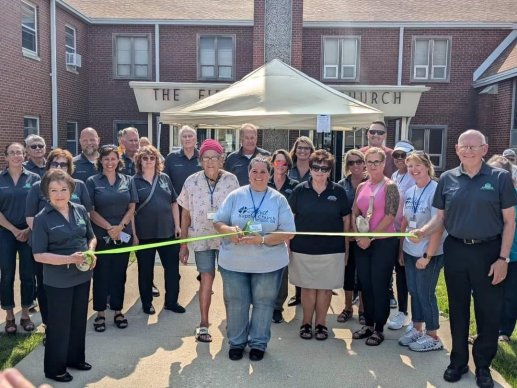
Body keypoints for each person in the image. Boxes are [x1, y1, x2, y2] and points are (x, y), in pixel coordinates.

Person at [413, 130, 517, 387]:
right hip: (457, 250)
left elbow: (509, 221)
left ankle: (483, 365)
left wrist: (503, 258)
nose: (468, 151)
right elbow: (440, 219)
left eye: (474, 146)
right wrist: (422, 232)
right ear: (457, 149)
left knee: (488, 312)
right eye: (464, 146)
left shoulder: (500, 178)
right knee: (458, 308)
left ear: (484, 149)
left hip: (489, 252)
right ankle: (458, 361)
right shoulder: (448, 179)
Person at [214, 157, 295, 361]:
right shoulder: (235, 196)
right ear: (248, 173)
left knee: (264, 303)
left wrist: (263, 240)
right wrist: (229, 231)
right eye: (254, 171)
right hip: (234, 263)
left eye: (263, 172)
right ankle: (237, 343)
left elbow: (289, 232)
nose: (258, 176)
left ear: (270, 174)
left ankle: (258, 343)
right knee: (236, 303)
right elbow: (218, 222)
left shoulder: (278, 199)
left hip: (268, 264)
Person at [32, 169, 97, 383]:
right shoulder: (42, 219)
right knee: (59, 325)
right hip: (58, 281)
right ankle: (55, 368)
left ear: (71, 190)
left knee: (78, 320)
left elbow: (91, 237)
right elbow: (39, 255)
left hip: (82, 276)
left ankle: (75, 358)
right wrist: (70, 259)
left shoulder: (79, 210)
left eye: (63, 189)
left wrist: (91, 251)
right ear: (46, 194)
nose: (59, 194)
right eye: (54, 190)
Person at [177, 139, 239, 342]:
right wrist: (183, 244)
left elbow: (238, 211)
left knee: (230, 282)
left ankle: (233, 323)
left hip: (226, 240)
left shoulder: (231, 181)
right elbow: (185, 213)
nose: (210, 162)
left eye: (215, 157)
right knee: (206, 278)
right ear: (200, 160)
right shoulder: (191, 181)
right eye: (206, 158)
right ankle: (204, 324)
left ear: (222, 160)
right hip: (201, 238)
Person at [26, 148, 93, 329]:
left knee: (75, 301)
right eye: (55, 163)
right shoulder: (37, 187)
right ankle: (49, 324)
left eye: (63, 164)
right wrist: (52, 234)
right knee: (46, 288)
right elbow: (31, 218)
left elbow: (85, 214)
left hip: (76, 247)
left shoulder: (79, 185)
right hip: (48, 247)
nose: (59, 166)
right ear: (49, 165)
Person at [289, 150, 350, 341]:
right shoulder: (300, 190)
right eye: (316, 167)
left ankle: (321, 324)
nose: (320, 171)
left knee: (324, 288)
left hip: (332, 249)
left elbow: (346, 220)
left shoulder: (338, 192)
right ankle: (306, 323)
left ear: (330, 170)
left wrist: (346, 247)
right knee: (307, 287)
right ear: (310, 168)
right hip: (303, 248)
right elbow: (291, 218)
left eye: (325, 168)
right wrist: (288, 244)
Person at [397, 151, 446, 352]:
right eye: (410, 166)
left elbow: (439, 226)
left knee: (426, 293)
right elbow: (406, 221)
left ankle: (433, 334)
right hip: (410, 250)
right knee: (414, 291)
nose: (414, 170)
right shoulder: (410, 192)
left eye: (417, 165)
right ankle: (417, 327)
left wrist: (427, 256)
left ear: (427, 166)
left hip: (429, 252)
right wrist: (401, 250)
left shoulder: (436, 190)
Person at [351, 147, 399, 346]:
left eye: (376, 162)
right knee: (366, 285)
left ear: (384, 163)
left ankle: (379, 328)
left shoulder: (391, 187)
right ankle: (368, 323)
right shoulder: (362, 186)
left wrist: (369, 237)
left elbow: (390, 216)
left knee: (380, 285)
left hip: (383, 243)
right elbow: (354, 211)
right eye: (369, 162)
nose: (372, 166)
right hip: (362, 243)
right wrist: (358, 235)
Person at [86, 145, 136, 332]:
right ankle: (99, 313)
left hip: (122, 235)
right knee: (101, 275)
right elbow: (90, 210)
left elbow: (132, 207)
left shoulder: (128, 180)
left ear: (118, 160)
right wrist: (108, 228)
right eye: (106, 159)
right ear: (101, 160)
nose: (109, 162)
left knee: (119, 274)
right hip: (101, 235)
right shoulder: (92, 181)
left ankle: (117, 310)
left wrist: (121, 227)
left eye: (113, 158)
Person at [132, 145, 183, 315]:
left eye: (152, 158)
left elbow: (174, 202)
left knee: (172, 271)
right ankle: (147, 303)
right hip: (144, 234)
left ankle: (171, 302)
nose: (148, 161)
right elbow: (131, 210)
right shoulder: (134, 181)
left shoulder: (165, 178)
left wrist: (177, 225)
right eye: (145, 158)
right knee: (145, 272)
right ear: (140, 161)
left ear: (157, 160)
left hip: (167, 231)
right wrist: (134, 234)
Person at [0, 142, 40, 334]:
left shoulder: (34, 178)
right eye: (12, 153)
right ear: (6, 157)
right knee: (7, 274)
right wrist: (15, 230)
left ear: (25, 156)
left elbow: (39, 207)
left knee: (27, 274)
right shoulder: (0, 179)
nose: (16, 156)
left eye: (19, 152)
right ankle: (9, 315)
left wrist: (27, 230)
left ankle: (25, 314)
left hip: (29, 231)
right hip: (5, 233)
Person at [486, 155, 517, 344]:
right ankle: (488, 329)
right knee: (489, 293)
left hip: (513, 255)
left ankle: (504, 330)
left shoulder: (514, 194)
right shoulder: (487, 195)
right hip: (490, 253)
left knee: (510, 295)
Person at [268, 149, 299, 323]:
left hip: (284, 234)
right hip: (265, 233)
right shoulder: (264, 181)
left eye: (284, 163)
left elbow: (294, 213)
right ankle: (264, 305)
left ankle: (277, 307)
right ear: (272, 163)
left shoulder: (294, 186)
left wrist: (288, 240)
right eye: (277, 162)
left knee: (282, 272)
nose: (280, 165)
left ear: (288, 166)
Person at [337, 149, 367, 324]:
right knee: (348, 272)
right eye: (351, 162)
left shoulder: (371, 183)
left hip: (365, 237)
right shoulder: (341, 186)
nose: (355, 165)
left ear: (364, 163)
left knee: (363, 273)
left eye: (358, 161)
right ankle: (347, 307)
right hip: (347, 237)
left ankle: (362, 309)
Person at [387, 140, 416, 328]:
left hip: (410, 233)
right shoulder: (394, 175)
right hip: (394, 231)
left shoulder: (415, 176)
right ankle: (403, 311)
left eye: (403, 155)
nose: (399, 159)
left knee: (410, 274)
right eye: (396, 155)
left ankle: (416, 317)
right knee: (400, 273)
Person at [286, 136, 315, 307]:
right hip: (294, 218)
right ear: (295, 151)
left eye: (306, 148)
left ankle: (311, 290)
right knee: (296, 260)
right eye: (300, 148)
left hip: (312, 219)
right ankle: (298, 294)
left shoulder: (316, 169)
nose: (303, 151)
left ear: (311, 151)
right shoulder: (289, 170)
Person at [164, 125, 202, 197]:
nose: (187, 139)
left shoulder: (203, 157)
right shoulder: (171, 158)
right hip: (176, 203)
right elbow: (164, 181)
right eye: (184, 136)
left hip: (199, 202)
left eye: (190, 136)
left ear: (195, 139)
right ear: (180, 140)